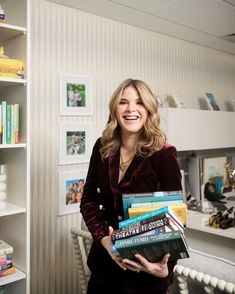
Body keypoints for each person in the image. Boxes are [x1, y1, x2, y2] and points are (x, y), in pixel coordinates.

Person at [80, 78, 182, 294]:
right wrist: (107, 242)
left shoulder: (164, 154)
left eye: (139, 102)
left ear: (149, 109)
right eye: (123, 102)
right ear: (115, 108)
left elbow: (174, 217)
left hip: (145, 275)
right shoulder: (102, 146)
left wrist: (166, 270)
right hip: (103, 271)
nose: (131, 109)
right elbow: (88, 200)